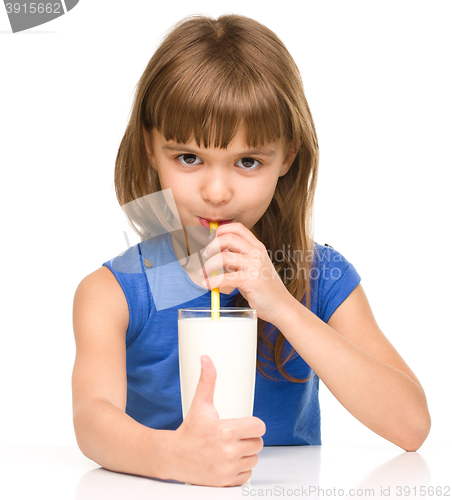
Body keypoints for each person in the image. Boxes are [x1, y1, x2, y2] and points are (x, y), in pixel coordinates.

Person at [72, 14, 431, 487]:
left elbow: (410, 426)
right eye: (188, 157)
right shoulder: (115, 292)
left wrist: (281, 305)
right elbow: (92, 422)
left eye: (247, 161)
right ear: (149, 148)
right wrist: (174, 456)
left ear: (288, 155)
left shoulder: (321, 277)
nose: (216, 192)